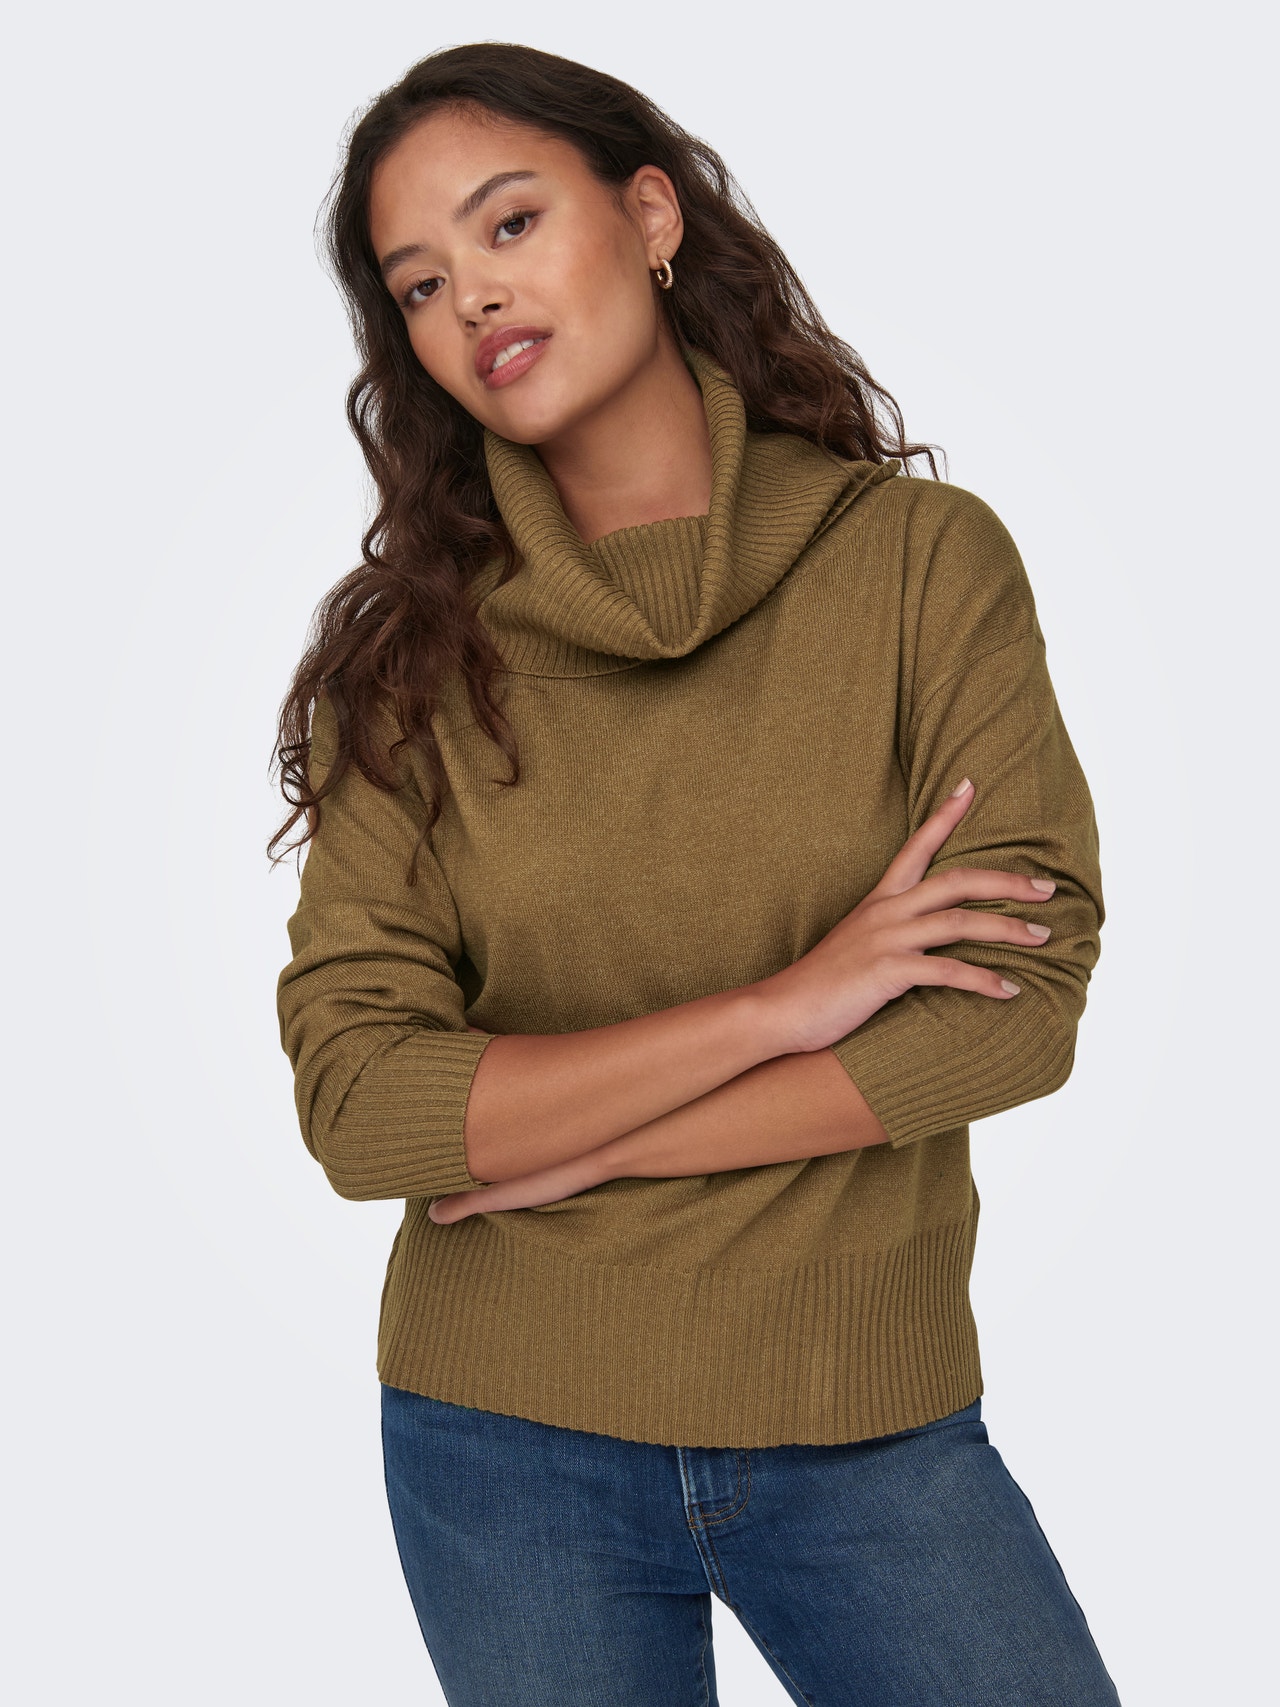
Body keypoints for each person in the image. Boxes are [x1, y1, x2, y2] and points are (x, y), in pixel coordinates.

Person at [272, 41, 1120, 1707]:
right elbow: (364, 1106)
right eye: (420, 282)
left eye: (510, 223)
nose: (472, 297)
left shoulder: (915, 566)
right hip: (502, 1435)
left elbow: (1008, 1016)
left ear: (651, 215)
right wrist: (782, 1008)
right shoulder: (410, 666)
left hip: (867, 1421)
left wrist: (577, 1146)